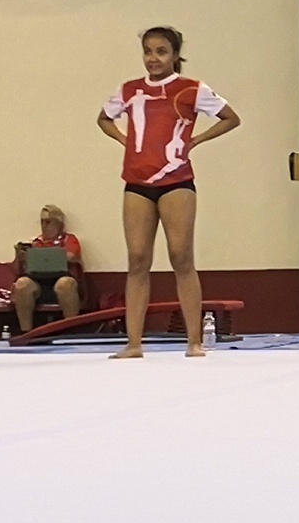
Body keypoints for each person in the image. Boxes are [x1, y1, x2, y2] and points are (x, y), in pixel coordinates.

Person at [100, 26, 237, 360]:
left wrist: (196, 140)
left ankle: (194, 341)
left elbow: (230, 118)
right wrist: (125, 140)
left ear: (175, 55)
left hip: (176, 181)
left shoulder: (191, 89)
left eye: (161, 51)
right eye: (148, 51)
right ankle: (134, 343)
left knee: (181, 256)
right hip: (137, 182)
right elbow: (104, 119)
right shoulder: (129, 90)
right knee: (137, 259)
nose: (153, 58)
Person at [5, 204, 88, 336]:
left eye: (48, 222)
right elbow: (16, 271)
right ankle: (26, 332)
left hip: (61, 280)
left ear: (59, 224)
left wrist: (54, 254)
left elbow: (73, 256)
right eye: (42, 222)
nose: (44, 226)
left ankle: (71, 330)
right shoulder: (35, 243)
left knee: (65, 284)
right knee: (22, 284)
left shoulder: (69, 240)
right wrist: (20, 257)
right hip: (38, 282)